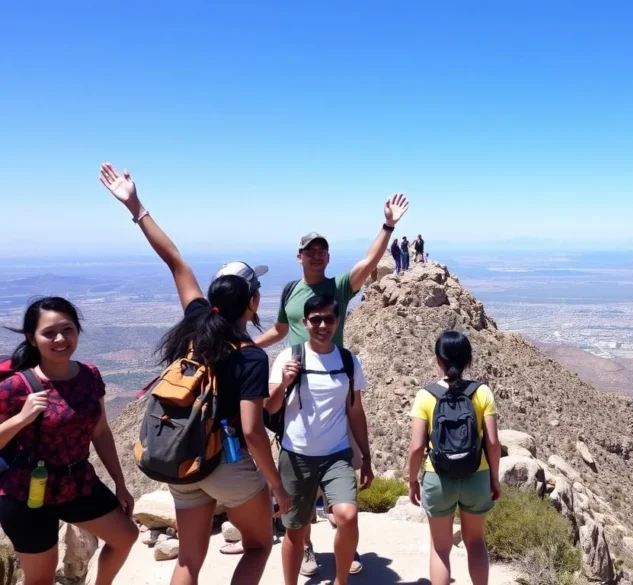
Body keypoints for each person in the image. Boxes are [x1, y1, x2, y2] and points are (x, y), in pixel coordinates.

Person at [99, 162, 291, 585]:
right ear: (253, 303)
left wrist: (135, 205)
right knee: (258, 545)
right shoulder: (251, 358)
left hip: (183, 458)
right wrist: (277, 487)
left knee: (189, 560)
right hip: (227, 463)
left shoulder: (196, 321)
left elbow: (174, 259)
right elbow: (253, 432)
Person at [254, 193, 407, 576]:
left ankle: (342, 543)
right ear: (299, 255)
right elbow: (280, 330)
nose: (317, 256)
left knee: (342, 492)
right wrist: (245, 347)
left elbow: (368, 263)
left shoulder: (337, 287)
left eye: (322, 251)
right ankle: (305, 548)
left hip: (337, 383)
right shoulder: (291, 292)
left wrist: (387, 226)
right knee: (299, 501)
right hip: (294, 388)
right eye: (311, 251)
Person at [0, 297, 138, 585]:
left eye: (68, 329)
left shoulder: (89, 375)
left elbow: (100, 432)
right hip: (27, 495)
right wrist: (21, 418)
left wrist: (120, 484)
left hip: (78, 483)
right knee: (41, 579)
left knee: (126, 536)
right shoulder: (15, 387)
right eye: (49, 333)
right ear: (32, 337)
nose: (60, 338)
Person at [267, 295, 373, 585]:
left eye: (329, 318)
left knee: (348, 516)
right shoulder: (289, 358)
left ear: (337, 322)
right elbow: (270, 407)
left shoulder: (349, 361)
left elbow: (355, 411)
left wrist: (366, 457)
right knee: (295, 528)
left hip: (337, 455)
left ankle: (341, 580)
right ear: (305, 323)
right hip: (296, 456)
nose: (323, 325)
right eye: (316, 319)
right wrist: (284, 384)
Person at [408, 331, 502, 585]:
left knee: (440, 548)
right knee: (475, 541)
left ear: (438, 360)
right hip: (477, 476)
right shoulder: (482, 392)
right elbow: (493, 443)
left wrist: (413, 481)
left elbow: (416, 447)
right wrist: (494, 478)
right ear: (469, 359)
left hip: (438, 477)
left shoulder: (425, 396)